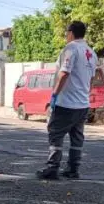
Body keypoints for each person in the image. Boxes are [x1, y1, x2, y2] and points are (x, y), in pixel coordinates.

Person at [36, 21, 97, 180]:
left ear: (71, 32)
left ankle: (52, 168)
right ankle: (73, 168)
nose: (65, 36)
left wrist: (54, 95)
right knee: (77, 137)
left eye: (66, 32)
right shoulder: (91, 53)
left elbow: (64, 73)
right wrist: (84, 94)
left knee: (55, 133)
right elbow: (90, 79)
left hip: (67, 103)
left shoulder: (71, 49)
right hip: (83, 104)